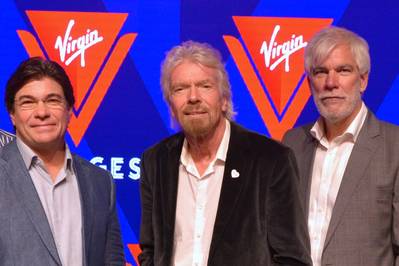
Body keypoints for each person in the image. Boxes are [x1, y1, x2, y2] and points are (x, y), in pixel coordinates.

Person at [138, 41, 311, 266]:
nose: (193, 97)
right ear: (171, 105)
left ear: (224, 99)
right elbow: (150, 250)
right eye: (180, 89)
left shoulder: (270, 160)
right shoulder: (156, 161)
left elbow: (292, 259)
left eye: (205, 86)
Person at [283, 26, 399, 266]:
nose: (331, 83)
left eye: (343, 70)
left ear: (363, 79)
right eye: (321, 72)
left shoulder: (394, 146)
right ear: (309, 82)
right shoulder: (292, 143)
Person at [0, 57, 125, 265]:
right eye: (28, 102)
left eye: (53, 100)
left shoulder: (100, 182)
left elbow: (112, 261)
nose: (42, 112)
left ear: (69, 110)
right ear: (12, 115)